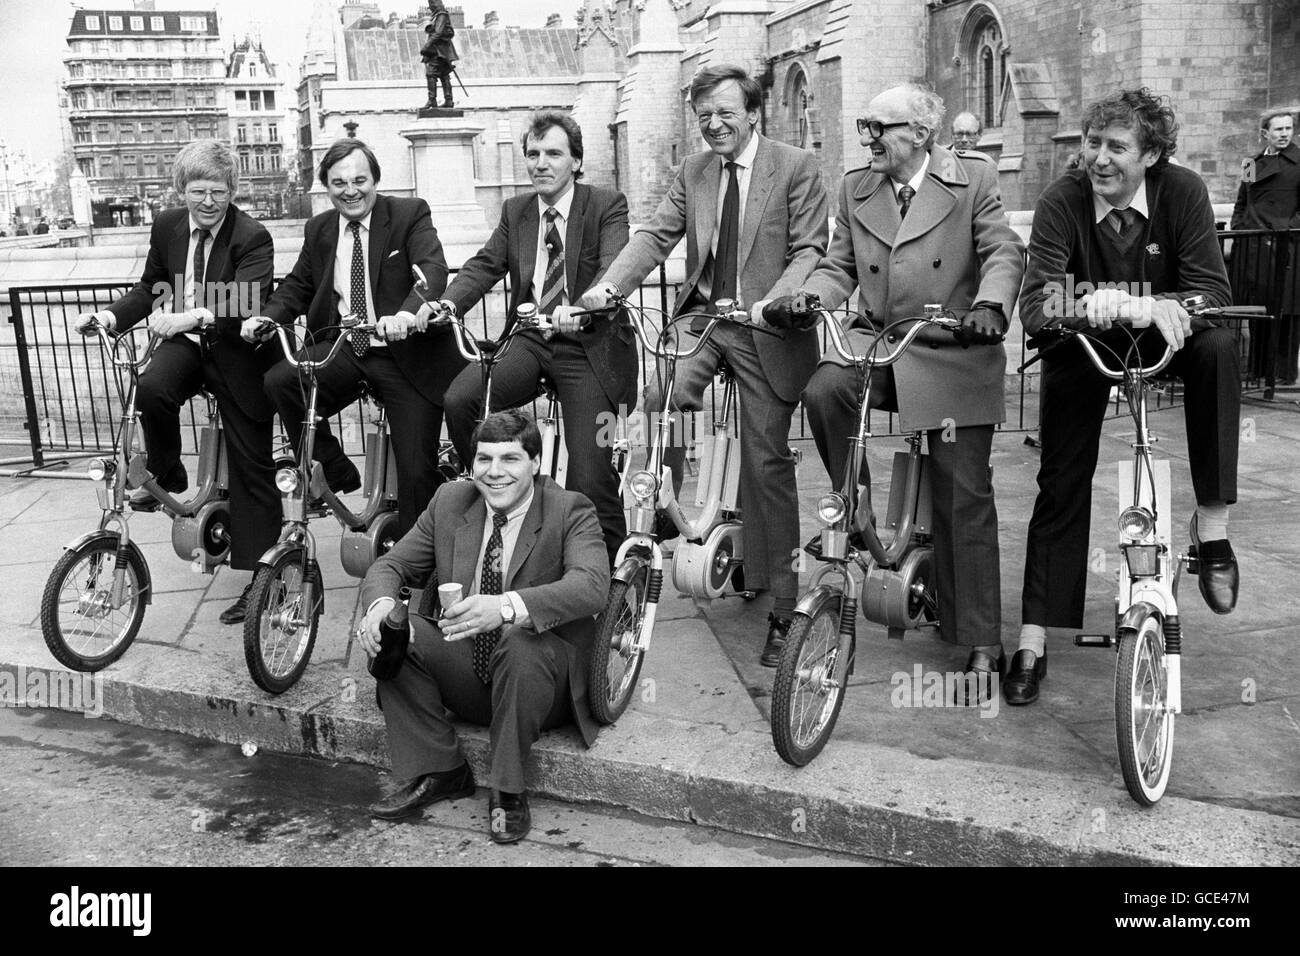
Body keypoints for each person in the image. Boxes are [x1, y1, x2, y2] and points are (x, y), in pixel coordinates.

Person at [771, 83, 1024, 693]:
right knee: (826, 386)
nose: (867, 139)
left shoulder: (974, 179)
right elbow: (839, 267)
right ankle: (853, 510)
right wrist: (811, 298)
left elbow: (1003, 250)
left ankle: (980, 637)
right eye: (864, 126)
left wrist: (991, 305)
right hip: (882, 344)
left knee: (964, 493)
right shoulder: (856, 188)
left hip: (953, 345)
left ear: (919, 132)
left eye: (878, 127)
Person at [581, 64, 829, 666]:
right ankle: (659, 511)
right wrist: (607, 289)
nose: (713, 125)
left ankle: (781, 603)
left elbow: (810, 249)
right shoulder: (694, 171)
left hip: (767, 325)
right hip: (704, 320)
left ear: (753, 114)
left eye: (725, 113)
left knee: (766, 456)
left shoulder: (796, 166)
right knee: (659, 397)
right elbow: (654, 236)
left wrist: (777, 302)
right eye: (703, 118)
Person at [1011, 88, 1239, 706]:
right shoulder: (1062, 199)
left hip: (1167, 335)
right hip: (1087, 344)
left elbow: (1211, 291)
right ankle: (1035, 634)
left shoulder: (1183, 192)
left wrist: (1160, 304)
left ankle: (1212, 530)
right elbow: (1036, 307)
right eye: (1093, 144)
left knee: (1220, 349)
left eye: (1117, 148)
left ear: (1153, 155)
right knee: (1061, 478)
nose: (1100, 160)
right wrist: (1085, 304)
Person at [359, 409, 609, 844]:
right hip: (471, 664)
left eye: (510, 459)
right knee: (399, 630)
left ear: (535, 463)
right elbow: (392, 563)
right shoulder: (451, 501)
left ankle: (508, 790)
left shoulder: (570, 509)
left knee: (519, 643)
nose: (495, 473)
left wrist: (508, 607)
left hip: (541, 682)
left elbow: (591, 587)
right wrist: (380, 607)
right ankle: (441, 768)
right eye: (484, 459)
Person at [75, 140, 278, 625]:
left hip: (234, 350)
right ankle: (168, 471)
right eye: (197, 190)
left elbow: (247, 301)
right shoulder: (167, 226)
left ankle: (260, 579)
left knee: (252, 465)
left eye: (218, 191)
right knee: (149, 388)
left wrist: (190, 316)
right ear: (181, 189)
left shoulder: (252, 236)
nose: (207, 202)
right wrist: (108, 316)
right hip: (187, 346)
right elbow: (151, 287)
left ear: (232, 190)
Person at [437, 112, 633, 566]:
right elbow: (485, 265)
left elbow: (614, 266)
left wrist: (585, 307)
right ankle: (494, 496)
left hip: (588, 343)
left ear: (576, 162)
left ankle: (605, 570)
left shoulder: (606, 204)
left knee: (590, 470)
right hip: (529, 340)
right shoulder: (517, 211)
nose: (540, 163)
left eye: (553, 154)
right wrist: (446, 305)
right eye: (533, 154)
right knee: (462, 398)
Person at [246, 138, 463, 538]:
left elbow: (432, 269)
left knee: (416, 467)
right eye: (338, 182)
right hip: (347, 348)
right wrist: (267, 317)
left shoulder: (408, 214)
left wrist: (407, 313)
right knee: (281, 379)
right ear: (326, 188)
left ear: (375, 180)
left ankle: (417, 561)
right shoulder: (320, 228)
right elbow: (298, 285)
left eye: (359, 180)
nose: (350, 191)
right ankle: (332, 466)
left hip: (405, 354)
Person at [1230, 107, 1300, 384]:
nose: (1284, 134)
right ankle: (1257, 369)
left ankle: (1282, 372)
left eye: (1288, 128)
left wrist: (1286, 229)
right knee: (1257, 308)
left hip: (1288, 246)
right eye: (1278, 129)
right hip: (1254, 245)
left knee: (1287, 308)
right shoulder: (1251, 162)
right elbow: (1242, 201)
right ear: (1264, 133)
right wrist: (1241, 227)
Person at [420, 0, 459, 110]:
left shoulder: (441, 15)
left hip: (439, 51)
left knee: (431, 73)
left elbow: (438, 32)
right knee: (443, 74)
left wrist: (427, 45)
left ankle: (432, 100)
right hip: (441, 50)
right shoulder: (438, 15)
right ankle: (449, 100)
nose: (430, 7)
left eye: (431, 5)